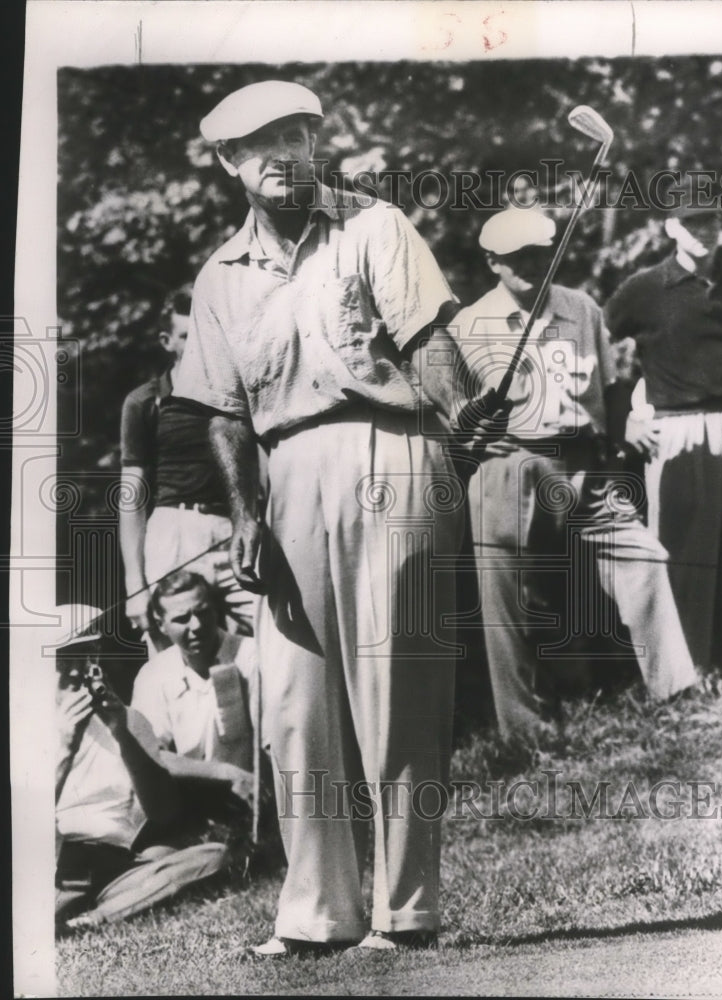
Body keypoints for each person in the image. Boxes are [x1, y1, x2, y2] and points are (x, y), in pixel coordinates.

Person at [172, 80, 506, 956]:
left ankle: (407, 912)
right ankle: (317, 916)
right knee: (292, 707)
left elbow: (429, 341)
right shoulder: (218, 276)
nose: (284, 154)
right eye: (261, 143)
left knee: (400, 693)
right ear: (226, 163)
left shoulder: (375, 226)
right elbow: (223, 409)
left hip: (389, 449)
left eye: (298, 134)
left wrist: (460, 410)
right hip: (284, 476)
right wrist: (244, 515)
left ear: (319, 143)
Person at [451, 207, 698, 739]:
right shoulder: (469, 324)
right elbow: (460, 411)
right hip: (510, 464)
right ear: (493, 262)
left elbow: (608, 385)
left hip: (585, 461)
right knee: (513, 602)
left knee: (643, 556)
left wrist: (622, 425)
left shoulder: (582, 307)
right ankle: (526, 732)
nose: (532, 266)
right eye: (517, 258)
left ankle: (675, 690)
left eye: (540, 254)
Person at [604, 188, 722, 679]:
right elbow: (601, 346)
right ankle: (685, 678)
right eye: (692, 221)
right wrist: (625, 419)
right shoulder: (644, 287)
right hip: (675, 430)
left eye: (711, 221)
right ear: (671, 227)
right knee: (683, 559)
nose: (704, 231)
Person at [54, 604, 229, 930]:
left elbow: (162, 812)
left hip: (115, 862)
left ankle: (92, 919)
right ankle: (82, 912)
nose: (80, 669)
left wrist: (122, 732)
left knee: (212, 856)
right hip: (54, 864)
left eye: (89, 654)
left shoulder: (128, 719)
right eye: (65, 659)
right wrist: (64, 746)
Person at [118, 289, 255, 647]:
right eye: (185, 336)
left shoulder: (235, 395)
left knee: (266, 645)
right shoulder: (145, 401)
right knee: (173, 649)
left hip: (232, 529)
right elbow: (131, 497)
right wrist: (136, 585)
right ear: (166, 341)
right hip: (174, 532)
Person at [130, 570, 259, 822]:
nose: (196, 626)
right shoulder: (153, 675)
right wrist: (223, 772)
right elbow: (149, 755)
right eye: (182, 619)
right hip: (192, 804)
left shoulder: (252, 655)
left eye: (203, 612)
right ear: (160, 624)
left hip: (257, 798)